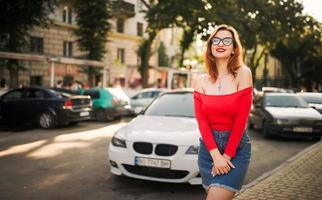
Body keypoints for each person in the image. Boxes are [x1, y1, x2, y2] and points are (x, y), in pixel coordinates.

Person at [193, 24, 253, 200]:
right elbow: (201, 120)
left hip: (235, 148)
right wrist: (215, 155)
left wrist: (225, 156)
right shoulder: (201, 80)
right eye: (216, 40)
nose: (221, 43)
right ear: (210, 47)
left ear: (234, 48)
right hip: (208, 150)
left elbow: (241, 120)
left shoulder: (243, 73)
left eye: (227, 40)